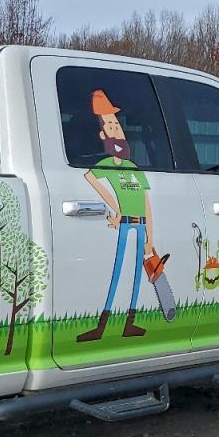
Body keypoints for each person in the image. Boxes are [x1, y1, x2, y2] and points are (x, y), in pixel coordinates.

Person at [76, 89, 154, 341]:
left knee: (135, 275)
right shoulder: (106, 166)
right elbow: (89, 177)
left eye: (117, 123)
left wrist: (150, 237)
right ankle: (102, 325)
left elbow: (145, 201)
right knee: (118, 271)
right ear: (103, 134)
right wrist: (115, 208)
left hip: (140, 225)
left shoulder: (133, 167)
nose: (116, 128)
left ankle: (130, 323)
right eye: (110, 124)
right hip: (125, 225)